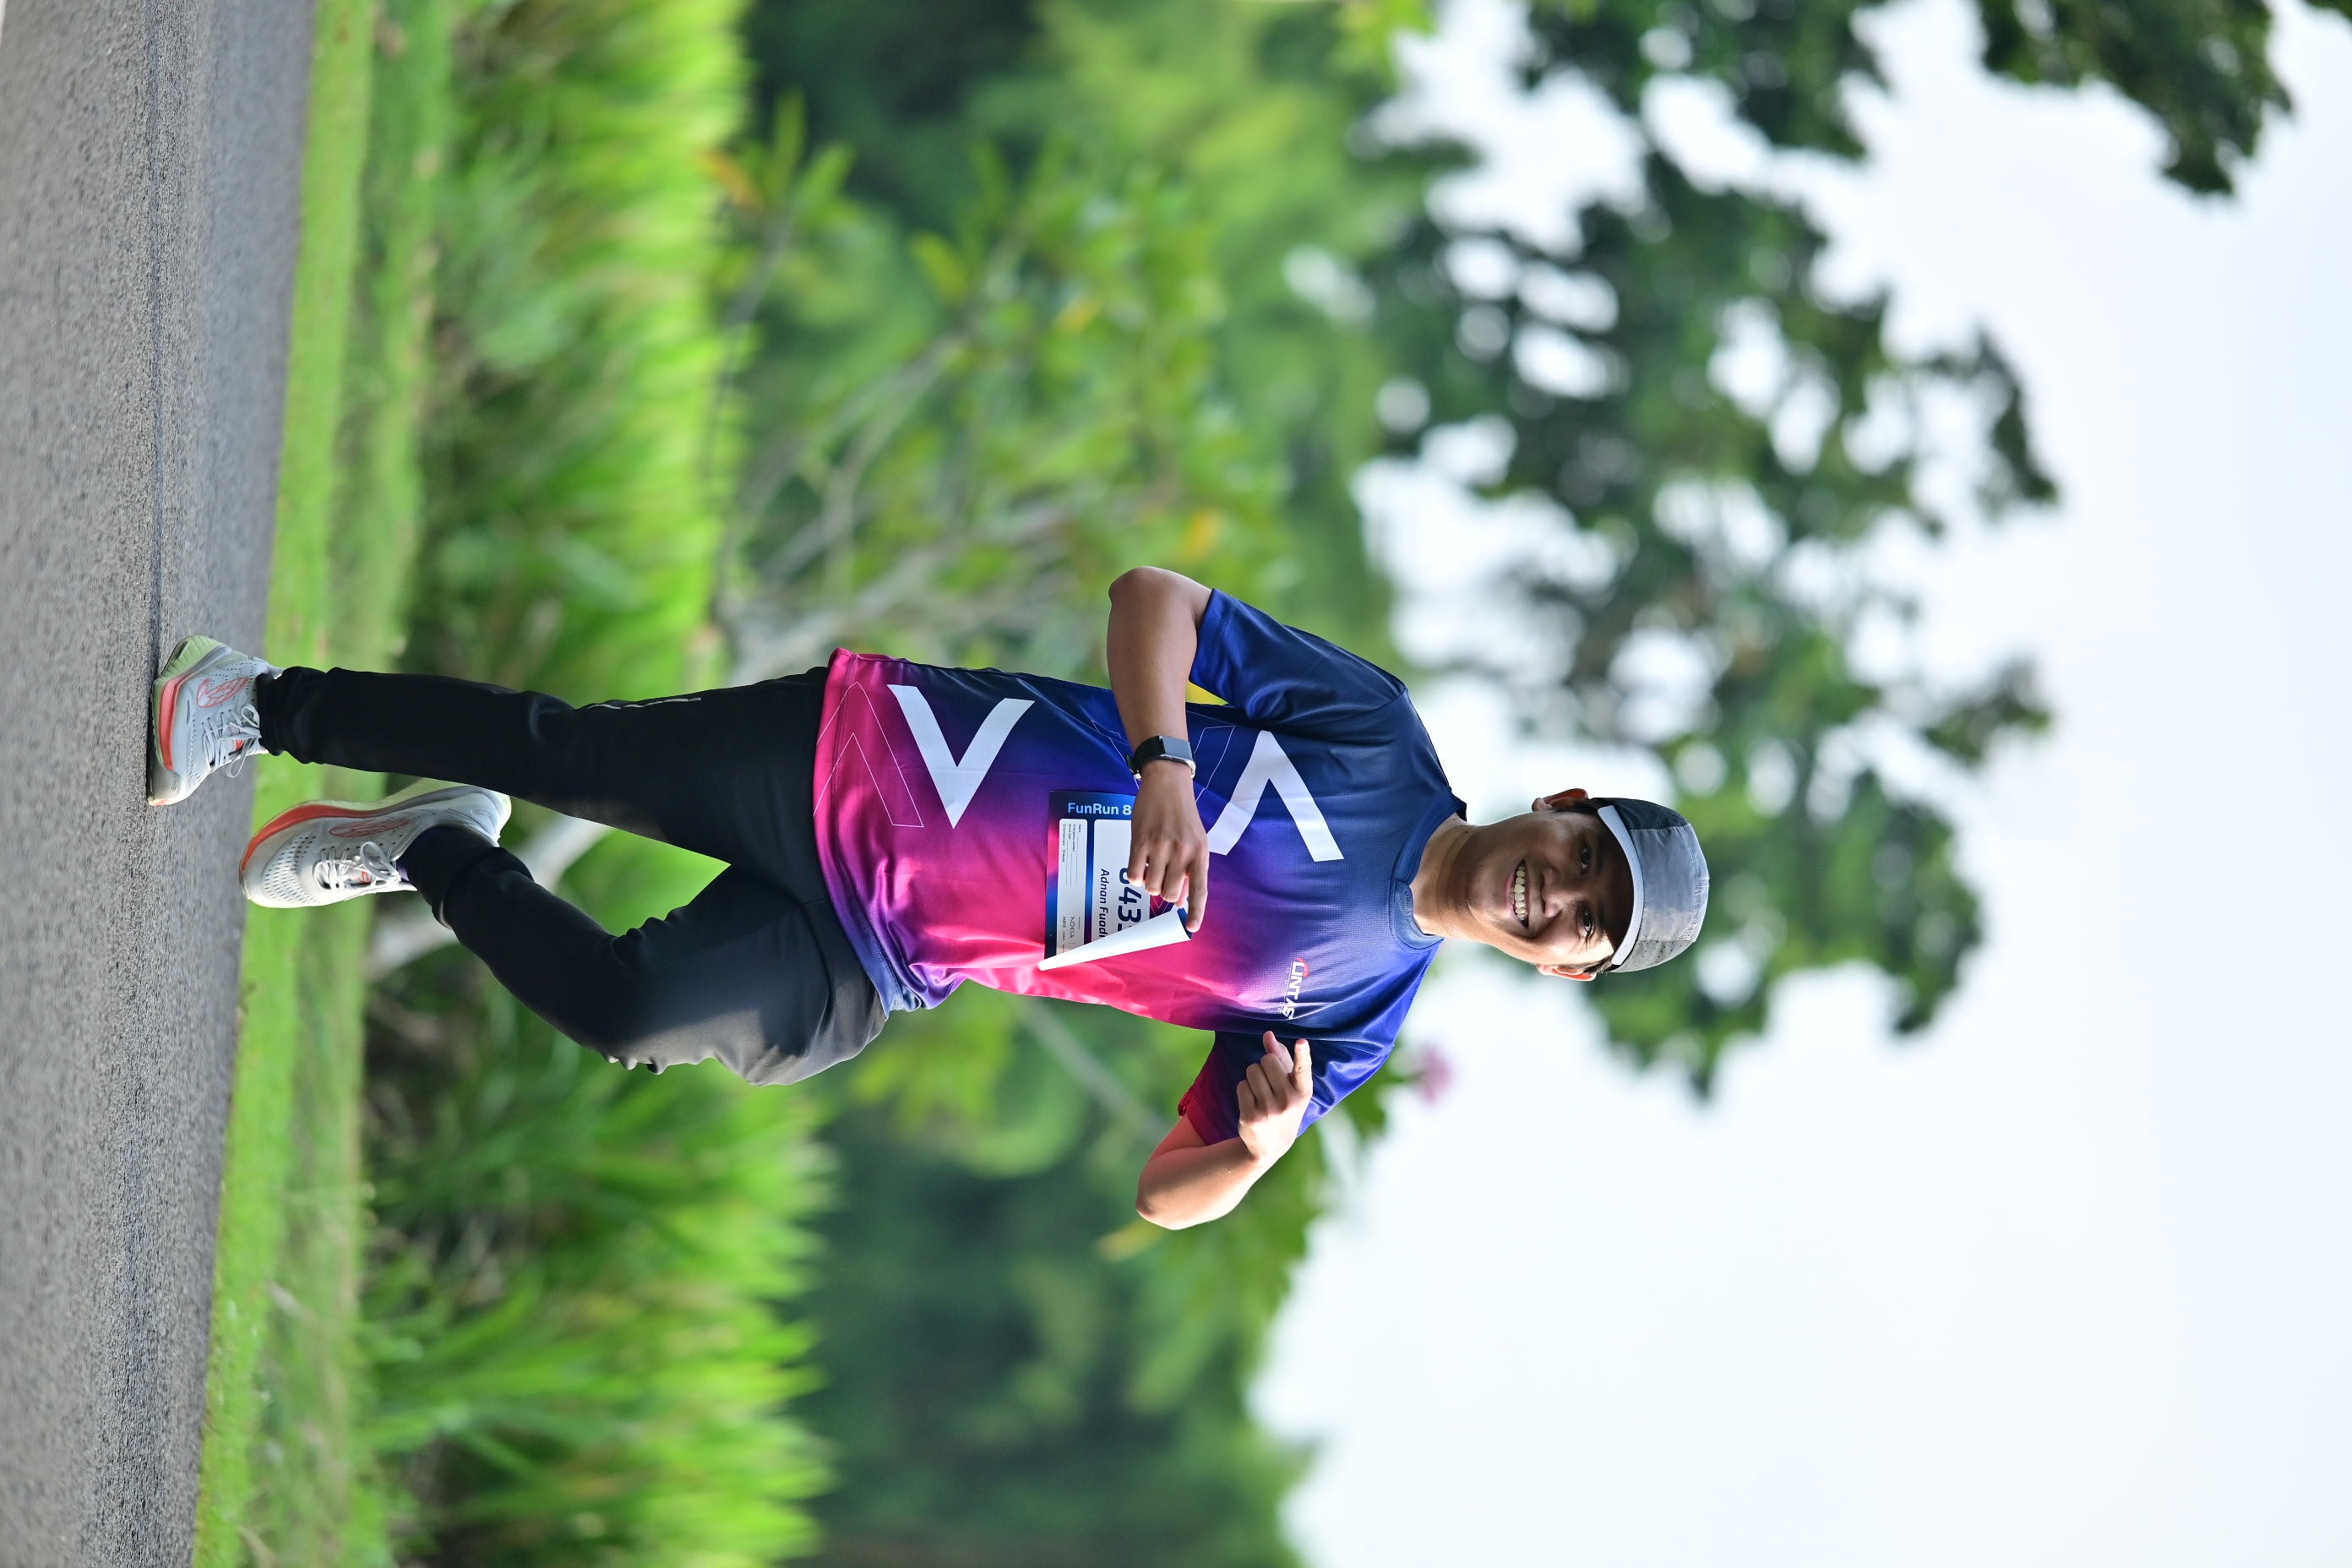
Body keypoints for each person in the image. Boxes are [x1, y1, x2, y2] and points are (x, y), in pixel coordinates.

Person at [149, 568, 1708, 1226]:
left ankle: (431, 848)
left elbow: (1164, 1196)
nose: (1558, 894)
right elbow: (1155, 600)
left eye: (1585, 922)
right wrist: (1166, 764)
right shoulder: (1379, 737)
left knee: (630, 1011)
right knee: (564, 754)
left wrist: (1254, 1149)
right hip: (868, 754)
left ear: (1565, 970)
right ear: (1566, 806)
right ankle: (256, 701)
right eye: (1584, 859)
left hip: (884, 951)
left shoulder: (1353, 1022)